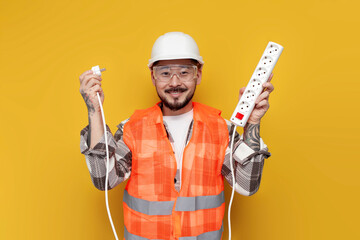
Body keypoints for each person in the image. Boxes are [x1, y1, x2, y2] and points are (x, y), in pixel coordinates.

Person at [79, 32, 273, 240]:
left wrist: (253, 122)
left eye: (183, 72)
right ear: (153, 76)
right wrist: (94, 111)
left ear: (197, 75)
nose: (174, 82)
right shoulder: (132, 129)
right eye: (164, 73)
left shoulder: (220, 128)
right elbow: (104, 179)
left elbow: (247, 185)